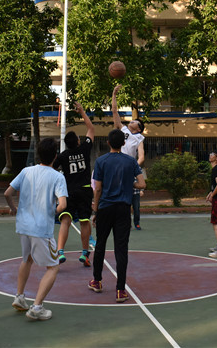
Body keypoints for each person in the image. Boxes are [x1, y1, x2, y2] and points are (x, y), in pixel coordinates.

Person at [3, 138, 67, 321]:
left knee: (27, 259)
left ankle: (19, 296)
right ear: (55, 156)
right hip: (41, 228)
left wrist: (14, 209)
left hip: (23, 226)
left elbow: (7, 193)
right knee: (53, 267)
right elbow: (63, 205)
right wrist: (51, 211)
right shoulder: (57, 177)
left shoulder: (26, 171)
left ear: (38, 154)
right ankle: (37, 307)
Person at [88, 129, 145, 303]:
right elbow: (142, 184)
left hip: (105, 207)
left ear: (108, 143)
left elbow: (98, 188)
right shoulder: (131, 161)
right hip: (123, 209)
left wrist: (96, 210)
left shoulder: (101, 161)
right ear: (123, 143)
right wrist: (130, 183)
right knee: (121, 249)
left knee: (100, 245)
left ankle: (97, 281)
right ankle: (120, 290)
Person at [53, 102, 95, 266]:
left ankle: (60, 252)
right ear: (78, 141)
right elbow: (91, 129)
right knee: (84, 221)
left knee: (65, 220)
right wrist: (82, 112)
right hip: (84, 190)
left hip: (69, 191)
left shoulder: (63, 156)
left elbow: (52, 169)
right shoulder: (84, 148)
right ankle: (84, 254)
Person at [111, 84, 145, 230]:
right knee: (118, 197)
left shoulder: (139, 138)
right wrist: (114, 94)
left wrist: (132, 168)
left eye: (135, 121)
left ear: (139, 128)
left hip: (127, 168)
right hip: (116, 165)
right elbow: (114, 111)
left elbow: (141, 157)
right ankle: (119, 220)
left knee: (132, 199)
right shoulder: (123, 129)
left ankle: (134, 221)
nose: (132, 120)